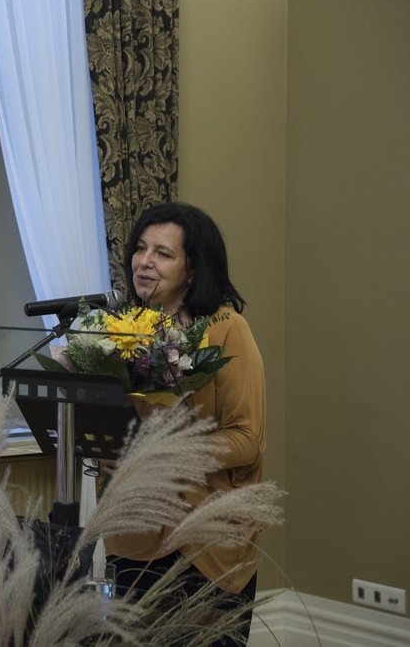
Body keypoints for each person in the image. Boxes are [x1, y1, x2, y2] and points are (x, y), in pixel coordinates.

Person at [107, 202, 266, 646]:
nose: (144, 261)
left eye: (163, 253)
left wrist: (167, 453)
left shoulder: (227, 328)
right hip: (135, 531)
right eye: (140, 249)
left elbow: (247, 440)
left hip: (205, 540)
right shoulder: (122, 331)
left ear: (193, 269)